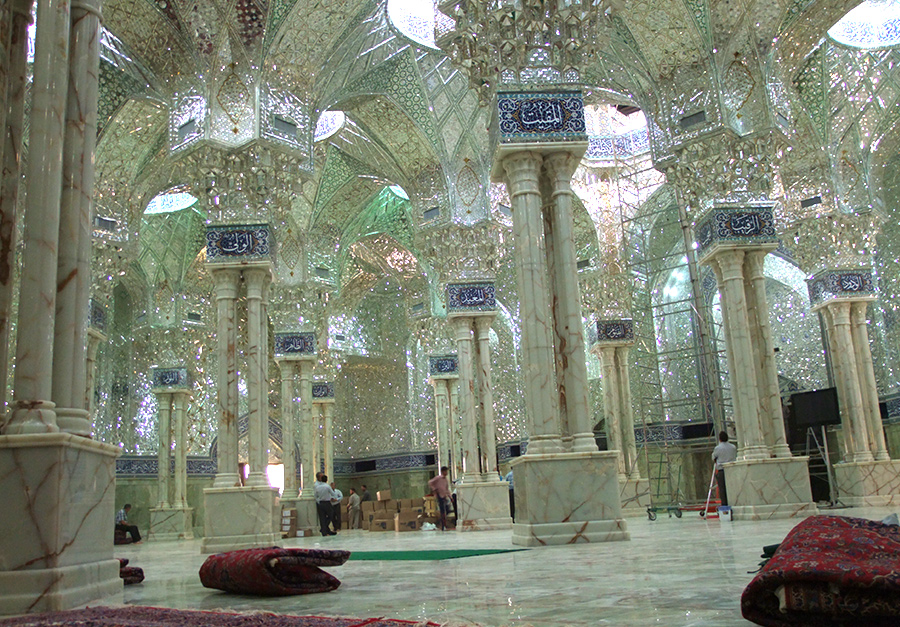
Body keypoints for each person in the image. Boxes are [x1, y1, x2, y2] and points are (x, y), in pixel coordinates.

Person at [712, 431, 738, 507]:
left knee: (722, 489)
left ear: (719, 439)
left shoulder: (718, 448)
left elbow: (713, 458)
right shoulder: (733, 447)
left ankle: (725, 506)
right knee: (733, 488)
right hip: (732, 470)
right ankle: (734, 503)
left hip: (722, 470)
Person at [428, 466, 452, 531]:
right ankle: (443, 525)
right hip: (439, 496)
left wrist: (450, 496)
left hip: (444, 496)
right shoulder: (438, 478)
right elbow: (430, 482)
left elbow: (446, 489)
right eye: (445, 471)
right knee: (442, 511)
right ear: (442, 471)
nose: (446, 473)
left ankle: (442, 523)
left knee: (447, 509)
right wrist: (434, 489)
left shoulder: (446, 480)